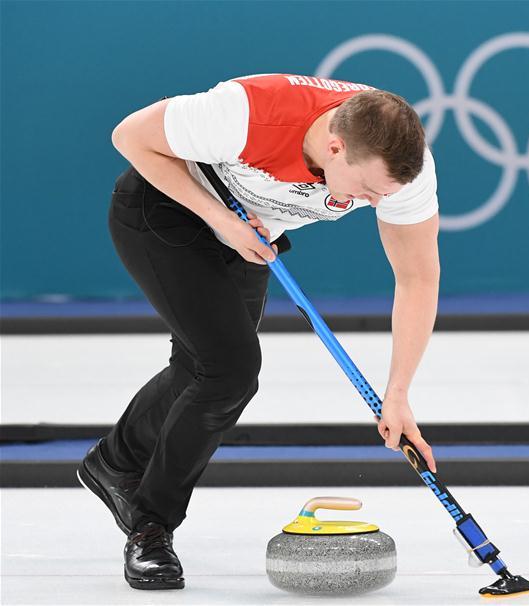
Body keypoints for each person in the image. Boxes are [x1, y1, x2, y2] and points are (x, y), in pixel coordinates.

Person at [76, 74, 440, 590]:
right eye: (365, 191)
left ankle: (115, 462)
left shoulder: (404, 170)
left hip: (250, 233)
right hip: (166, 212)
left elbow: (418, 276)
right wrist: (220, 219)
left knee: (201, 368)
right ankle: (149, 524)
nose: (375, 203)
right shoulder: (248, 111)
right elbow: (130, 137)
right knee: (229, 371)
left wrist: (398, 392)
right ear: (335, 146)